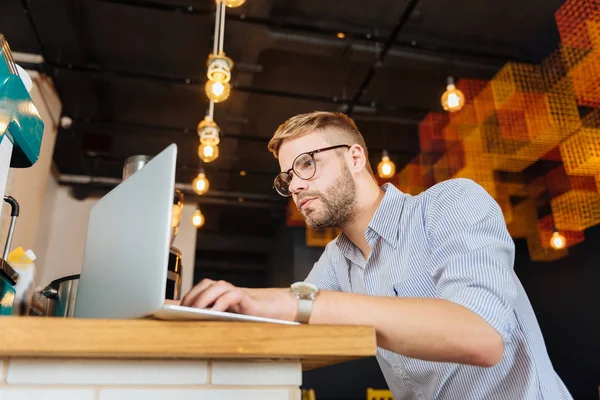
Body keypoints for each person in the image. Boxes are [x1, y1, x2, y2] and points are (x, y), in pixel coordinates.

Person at [182, 111, 572, 399]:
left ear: (354, 158)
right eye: (287, 177)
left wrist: (291, 301)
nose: (296, 186)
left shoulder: (451, 204)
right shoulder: (337, 259)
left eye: (307, 164)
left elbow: (481, 335)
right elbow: (289, 334)